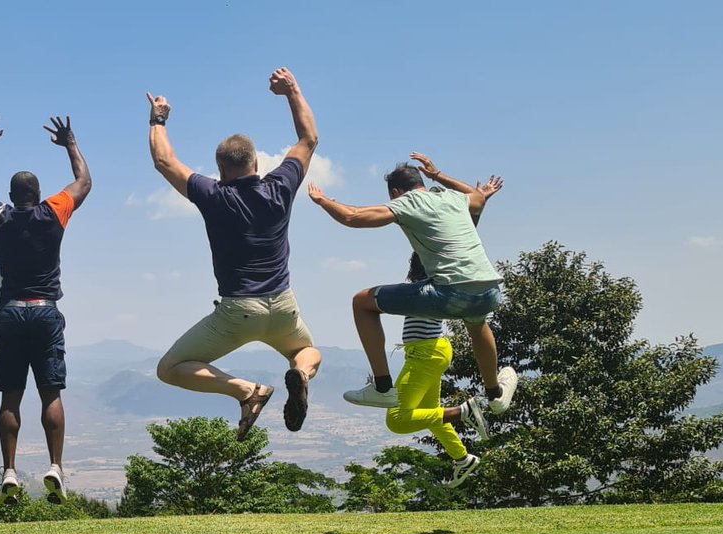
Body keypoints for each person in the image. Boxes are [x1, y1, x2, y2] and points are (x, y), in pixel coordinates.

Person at [145, 68, 322, 440]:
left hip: (237, 312)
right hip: (283, 306)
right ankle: (300, 376)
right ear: (256, 165)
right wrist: (292, 89)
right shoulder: (280, 187)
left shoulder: (215, 196)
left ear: (221, 170)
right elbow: (308, 139)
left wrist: (158, 117)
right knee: (307, 352)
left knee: (170, 368)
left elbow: (164, 161)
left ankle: (245, 391)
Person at [307, 153, 517, 416]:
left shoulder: (408, 202)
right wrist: (438, 175)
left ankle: (382, 388)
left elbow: (352, 216)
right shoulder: (453, 198)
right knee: (476, 322)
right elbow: (478, 197)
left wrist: (322, 201)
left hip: (448, 292)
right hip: (489, 291)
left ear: (396, 192)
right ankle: (494, 394)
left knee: (362, 302)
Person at [0, 110, 91, 504]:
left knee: (10, 398)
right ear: (37, 195)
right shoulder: (53, 212)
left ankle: (8, 471)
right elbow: (84, 181)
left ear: (12, 194)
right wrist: (70, 143)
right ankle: (55, 466)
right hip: (45, 311)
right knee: (50, 394)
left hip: (10, 312)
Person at [387, 252, 489, 488]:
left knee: (397, 420)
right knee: (430, 412)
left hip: (424, 354)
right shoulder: (437, 286)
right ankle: (462, 458)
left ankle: (463, 411)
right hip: (433, 351)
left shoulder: (421, 287)